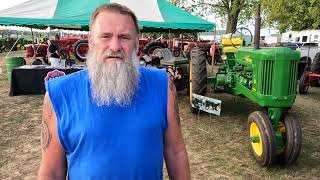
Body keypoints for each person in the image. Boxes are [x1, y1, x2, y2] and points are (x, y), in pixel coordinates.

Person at [38, 3, 191, 180]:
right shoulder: (59, 94)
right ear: (90, 41)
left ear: (136, 43)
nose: (115, 46)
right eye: (105, 36)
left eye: (124, 37)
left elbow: (176, 152)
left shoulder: (163, 86)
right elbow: (51, 171)